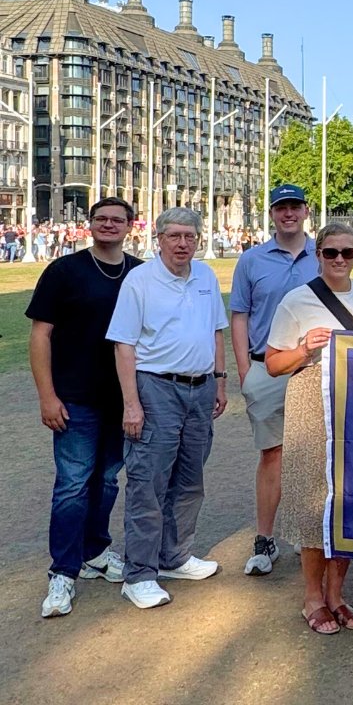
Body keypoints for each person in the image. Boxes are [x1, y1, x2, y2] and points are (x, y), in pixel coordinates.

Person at [266, 221, 353, 635]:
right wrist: (303, 348)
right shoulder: (296, 301)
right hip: (311, 401)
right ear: (318, 255)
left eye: (347, 252)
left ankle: (337, 593)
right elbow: (273, 364)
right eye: (331, 253)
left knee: (348, 502)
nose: (340, 260)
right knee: (314, 502)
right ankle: (312, 595)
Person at [107, 208, 228, 609]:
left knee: (191, 479)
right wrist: (131, 405)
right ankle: (139, 573)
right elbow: (123, 345)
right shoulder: (139, 281)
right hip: (156, 388)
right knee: (148, 482)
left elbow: (216, 331)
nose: (182, 243)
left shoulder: (206, 277)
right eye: (174, 236)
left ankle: (174, 556)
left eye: (189, 236)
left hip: (200, 387)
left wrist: (220, 380)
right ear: (157, 238)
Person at [28, 198, 142, 618]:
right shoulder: (64, 271)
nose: (108, 225)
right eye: (100, 219)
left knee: (108, 479)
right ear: (90, 224)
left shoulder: (140, 272)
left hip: (123, 397)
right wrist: (47, 395)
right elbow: (41, 336)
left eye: (117, 220)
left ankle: (95, 551)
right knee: (73, 484)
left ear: (130, 225)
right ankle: (63, 571)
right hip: (74, 397)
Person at [230, 183, 317, 576]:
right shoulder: (252, 260)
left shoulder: (325, 253)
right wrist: (246, 371)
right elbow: (240, 315)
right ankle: (265, 538)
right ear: (272, 214)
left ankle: (308, 533)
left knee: (316, 453)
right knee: (273, 454)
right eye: (281, 208)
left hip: (315, 367)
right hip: (266, 367)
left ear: (305, 210)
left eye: (294, 207)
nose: (288, 214)